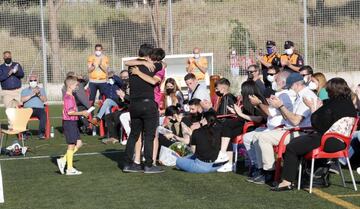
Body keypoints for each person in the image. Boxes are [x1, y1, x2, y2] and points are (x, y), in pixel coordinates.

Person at [272, 78, 357, 191]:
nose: (327, 92)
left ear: (332, 90)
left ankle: (287, 181)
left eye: (328, 90)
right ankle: (300, 177)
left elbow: (317, 123)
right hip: (342, 142)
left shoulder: (334, 104)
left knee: (292, 146)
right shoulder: (348, 103)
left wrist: (313, 108)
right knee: (299, 143)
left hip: (329, 140)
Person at [250, 72, 318, 184]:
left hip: (301, 132)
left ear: (296, 84)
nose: (290, 89)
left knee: (263, 137)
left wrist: (280, 106)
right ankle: (262, 170)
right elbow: (290, 118)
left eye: (290, 86)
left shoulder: (306, 96)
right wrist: (279, 106)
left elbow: (296, 121)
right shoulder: (300, 95)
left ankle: (270, 172)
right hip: (292, 129)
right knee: (257, 135)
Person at [123, 44, 164, 174]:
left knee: (134, 135)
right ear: (149, 55)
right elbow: (164, 64)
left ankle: (128, 164)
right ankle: (148, 165)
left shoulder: (131, 67)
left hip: (134, 105)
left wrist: (142, 62)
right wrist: (147, 62)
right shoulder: (154, 66)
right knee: (149, 135)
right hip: (147, 104)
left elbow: (128, 62)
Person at [245, 71, 293, 177]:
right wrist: (258, 105)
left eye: (276, 80)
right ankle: (258, 166)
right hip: (274, 127)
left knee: (259, 137)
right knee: (248, 137)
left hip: (280, 128)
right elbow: (268, 113)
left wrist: (259, 104)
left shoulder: (284, 95)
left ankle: (268, 171)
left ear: (284, 82)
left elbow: (269, 112)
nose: (273, 83)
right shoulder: (280, 94)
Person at [216, 80, 267, 172]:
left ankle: (224, 155)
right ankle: (228, 162)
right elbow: (243, 113)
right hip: (243, 122)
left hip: (252, 125)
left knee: (226, 125)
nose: (241, 92)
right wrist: (235, 111)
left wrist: (240, 114)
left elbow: (259, 118)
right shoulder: (247, 100)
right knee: (226, 130)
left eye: (242, 90)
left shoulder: (257, 100)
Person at [56, 76, 90, 175]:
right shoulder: (68, 98)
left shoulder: (71, 96)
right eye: (76, 85)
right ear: (70, 86)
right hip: (69, 123)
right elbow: (70, 112)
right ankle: (69, 169)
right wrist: (82, 113)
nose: (77, 87)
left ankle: (63, 159)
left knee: (79, 144)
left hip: (73, 123)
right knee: (71, 146)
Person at [20, 74, 47, 139]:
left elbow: (44, 100)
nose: (33, 81)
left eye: (34, 80)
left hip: (39, 109)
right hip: (28, 109)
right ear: (29, 82)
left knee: (43, 115)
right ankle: (24, 134)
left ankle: (41, 133)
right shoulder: (24, 90)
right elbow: (22, 99)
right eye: (31, 80)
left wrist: (39, 94)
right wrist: (32, 95)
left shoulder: (41, 90)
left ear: (37, 81)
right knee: (23, 115)